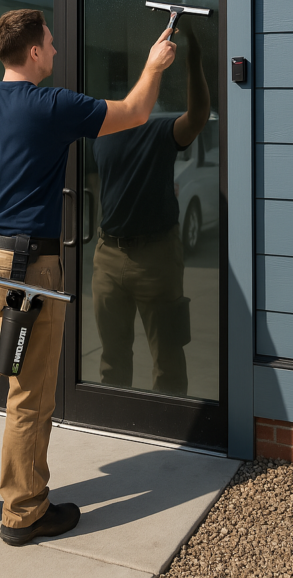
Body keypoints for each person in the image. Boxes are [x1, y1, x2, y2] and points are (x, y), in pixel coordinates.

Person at [0, 8, 176, 546]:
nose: (58, 50)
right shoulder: (52, 105)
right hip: (25, 273)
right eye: (52, 43)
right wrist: (155, 64)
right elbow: (135, 111)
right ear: (34, 52)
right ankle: (24, 511)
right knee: (29, 394)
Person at [90, 22, 211, 396]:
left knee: (169, 360)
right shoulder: (101, 133)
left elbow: (196, 119)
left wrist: (195, 60)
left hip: (156, 257)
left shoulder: (158, 132)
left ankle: (169, 437)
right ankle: (115, 427)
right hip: (108, 256)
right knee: (112, 361)